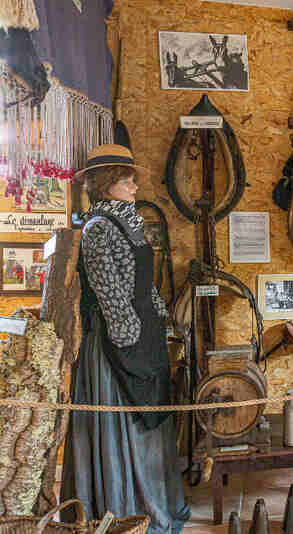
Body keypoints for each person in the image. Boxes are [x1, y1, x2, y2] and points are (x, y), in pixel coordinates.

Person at [61, 144, 190, 534]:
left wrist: (159, 320)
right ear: (105, 184)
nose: (134, 186)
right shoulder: (99, 228)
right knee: (124, 423)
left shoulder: (127, 222)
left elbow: (141, 282)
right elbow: (109, 292)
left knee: (148, 419)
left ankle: (152, 502)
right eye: (126, 179)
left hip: (142, 334)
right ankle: (125, 507)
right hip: (117, 346)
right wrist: (130, 344)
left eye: (132, 179)